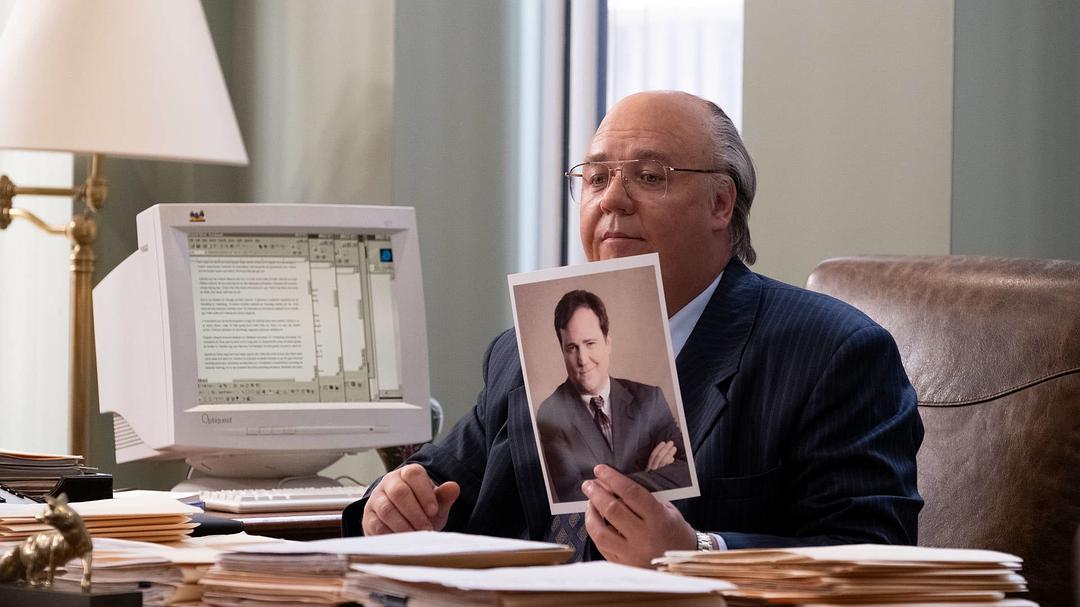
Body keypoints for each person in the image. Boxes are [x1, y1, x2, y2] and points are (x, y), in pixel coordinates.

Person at [350, 90, 923, 567]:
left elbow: (875, 554)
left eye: (650, 176)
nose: (613, 200)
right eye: (596, 178)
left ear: (721, 203)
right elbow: (434, 484)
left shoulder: (832, 353)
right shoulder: (524, 349)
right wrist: (393, 504)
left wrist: (697, 553)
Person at [536, 289, 690, 503]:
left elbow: (686, 470)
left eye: (590, 343)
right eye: (572, 347)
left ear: (607, 342)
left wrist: (614, 485)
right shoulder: (550, 412)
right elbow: (573, 496)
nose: (582, 359)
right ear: (562, 351)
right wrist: (648, 478)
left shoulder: (650, 398)